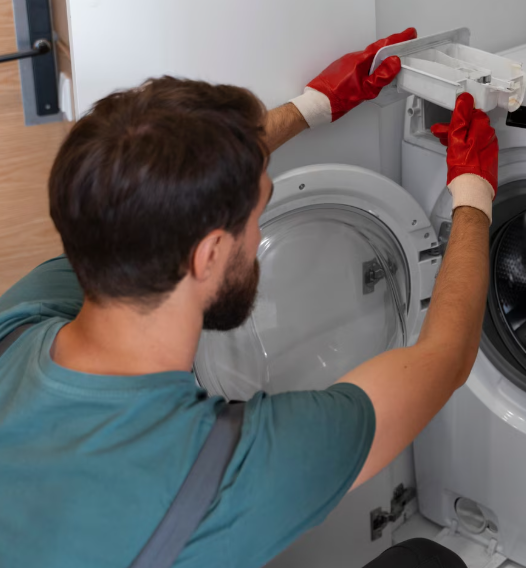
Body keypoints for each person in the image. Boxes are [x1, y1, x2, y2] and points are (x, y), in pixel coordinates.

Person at [0, 28, 499, 568]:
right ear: (208, 254)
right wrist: (474, 191)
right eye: (256, 215)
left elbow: (154, 186)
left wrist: (312, 107)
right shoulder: (230, 469)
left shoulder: (21, 324)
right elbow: (446, 357)